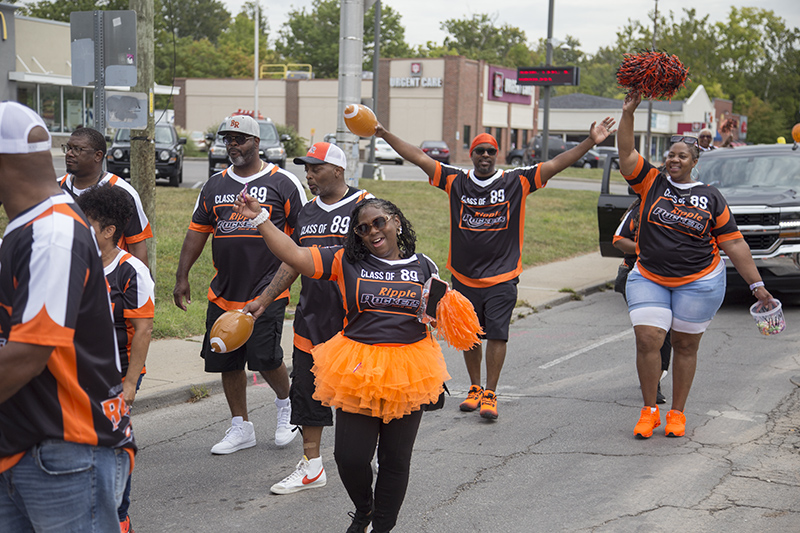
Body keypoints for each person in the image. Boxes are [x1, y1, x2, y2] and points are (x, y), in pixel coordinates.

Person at [234, 194, 452, 533]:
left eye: (379, 222)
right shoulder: (344, 260)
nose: (372, 232)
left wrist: (448, 310)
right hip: (359, 368)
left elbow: (434, 322)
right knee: (349, 457)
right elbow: (294, 255)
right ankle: (364, 510)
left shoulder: (425, 267)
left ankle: (381, 527)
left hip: (409, 370)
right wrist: (259, 218)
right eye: (363, 228)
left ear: (395, 221)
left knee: (395, 461)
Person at [375, 120, 615, 419]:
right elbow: (419, 157)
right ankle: (474, 389)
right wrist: (385, 134)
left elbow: (556, 163)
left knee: (498, 335)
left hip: (502, 276)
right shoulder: (455, 180)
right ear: (472, 155)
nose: (485, 156)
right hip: (464, 276)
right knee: (469, 335)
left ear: (497, 154)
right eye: (479, 152)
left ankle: (491, 392)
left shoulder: (517, 181)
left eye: (490, 151)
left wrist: (591, 141)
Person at [0, 102, 135, 531]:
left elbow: (28, 354)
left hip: (65, 451)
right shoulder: (28, 227)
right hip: (25, 443)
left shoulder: (52, 233)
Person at [618, 92, 773, 439]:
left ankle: (677, 413)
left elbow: (733, 243)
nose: (674, 159)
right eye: (670, 154)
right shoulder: (650, 182)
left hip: (699, 281)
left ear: (693, 162)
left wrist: (756, 284)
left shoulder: (711, 196)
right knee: (648, 339)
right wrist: (628, 113)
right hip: (650, 276)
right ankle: (649, 411)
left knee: (686, 346)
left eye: (681, 156)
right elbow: (626, 152)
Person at [241, 142, 371, 494]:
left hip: (355, 325)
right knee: (307, 397)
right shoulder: (307, 212)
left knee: (359, 399)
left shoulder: (367, 207)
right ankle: (312, 466)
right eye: (307, 169)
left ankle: (365, 456)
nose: (309, 175)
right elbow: (292, 261)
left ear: (338, 171)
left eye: (316, 169)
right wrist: (264, 300)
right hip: (311, 320)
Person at [173, 114, 306, 453]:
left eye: (240, 139)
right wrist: (182, 276)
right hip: (224, 291)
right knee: (226, 359)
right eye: (228, 139)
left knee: (265, 357)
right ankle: (240, 426)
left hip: (268, 288)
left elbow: (302, 238)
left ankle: (286, 406)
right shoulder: (214, 185)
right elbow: (196, 232)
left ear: (257, 143)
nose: (233, 145)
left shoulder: (283, 182)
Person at [76, 184, 155, 533]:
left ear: (108, 231)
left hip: (115, 377)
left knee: (113, 450)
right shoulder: (73, 263)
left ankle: (120, 517)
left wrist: (129, 384)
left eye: (86, 223)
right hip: (74, 374)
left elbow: (143, 330)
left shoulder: (131, 270)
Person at [59, 125, 153, 266]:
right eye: (68, 148)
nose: (69, 153)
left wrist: (140, 284)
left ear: (98, 155)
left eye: (77, 149)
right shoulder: (55, 189)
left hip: (109, 280)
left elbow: (137, 245)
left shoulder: (123, 192)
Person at [613, 198, 670, 404]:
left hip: (671, 277)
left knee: (667, 331)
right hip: (637, 276)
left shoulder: (683, 210)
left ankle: (656, 375)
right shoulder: (639, 209)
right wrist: (646, 249)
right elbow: (619, 239)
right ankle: (653, 386)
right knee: (651, 332)